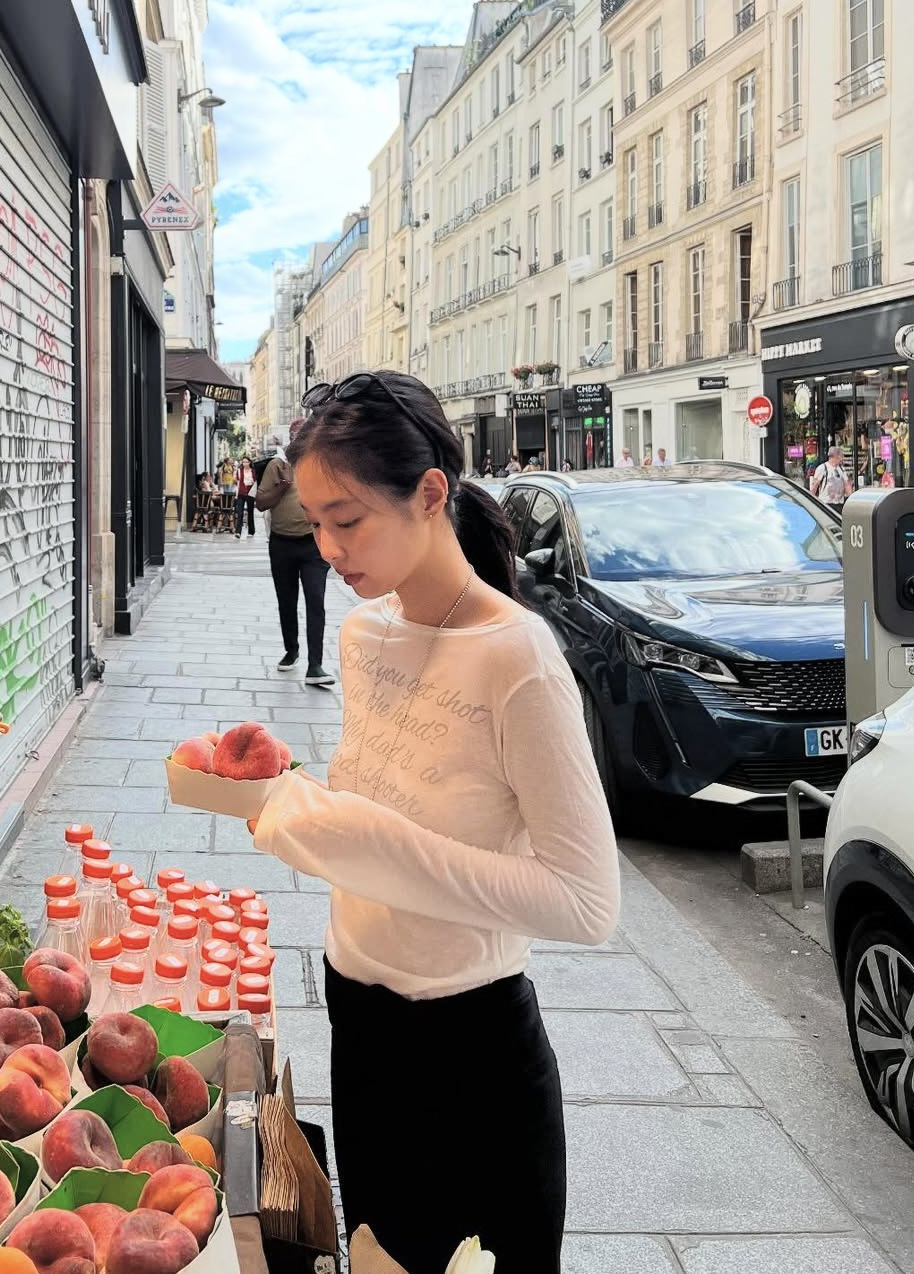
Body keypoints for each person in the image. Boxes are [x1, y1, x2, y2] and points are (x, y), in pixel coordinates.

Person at [247, 371, 620, 1273]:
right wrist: (285, 787)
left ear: (429, 494)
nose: (328, 548)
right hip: (359, 1020)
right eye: (314, 522)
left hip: (474, 1052)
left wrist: (371, 847)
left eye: (348, 519)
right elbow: (384, 801)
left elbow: (586, 901)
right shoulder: (364, 635)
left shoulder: (516, 657)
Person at [254, 423, 335, 686]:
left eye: (304, 434)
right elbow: (260, 503)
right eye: (295, 435)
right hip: (282, 544)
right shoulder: (276, 466)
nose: (299, 439)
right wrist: (283, 486)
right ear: (290, 438)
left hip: (313, 545)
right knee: (286, 601)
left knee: (316, 602)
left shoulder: (322, 465)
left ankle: (316, 665)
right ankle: (292, 650)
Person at [810, 445, 851, 512]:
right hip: (826, 504)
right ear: (835, 456)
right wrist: (812, 502)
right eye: (841, 456)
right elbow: (815, 485)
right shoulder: (822, 468)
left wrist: (850, 498)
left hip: (839, 504)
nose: (842, 458)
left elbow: (847, 484)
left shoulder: (841, 469)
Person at [235, 457, 257, 538]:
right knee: (240, 513)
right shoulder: (239, 471)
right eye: (243, 462)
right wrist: (236, 494)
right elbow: (237, 483)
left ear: (250, 462)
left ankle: (251, 531)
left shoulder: (253, 471)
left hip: (250, 493)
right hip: (241, 493)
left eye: (246, 462)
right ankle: (238, 532)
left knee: (250, 512)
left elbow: (255, 482)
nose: (245, 464)